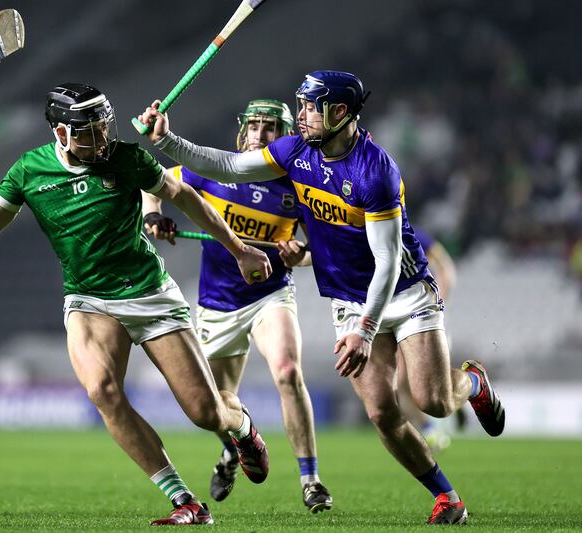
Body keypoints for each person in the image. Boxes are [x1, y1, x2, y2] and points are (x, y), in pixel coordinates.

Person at [138, 70, 506, 525]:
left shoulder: (376, 171)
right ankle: (447, 497)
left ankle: (472, 382)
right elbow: (229, 166)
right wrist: (168, 140)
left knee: (431, 399)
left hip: (404, 291)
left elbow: (387, 263)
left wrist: (366, 332)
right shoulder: (297, 152)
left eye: (313, 107)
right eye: (304, 105)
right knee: (381, 411)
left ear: (341, 112)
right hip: (350, 300)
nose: (304, 116)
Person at [0, 83, 272, 526]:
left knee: (205, 413)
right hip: (88, 298)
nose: (101, 140)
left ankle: (241, 428)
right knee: (102, 392)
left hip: (149, 293)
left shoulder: (128, 158)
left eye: (104, 127)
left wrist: (240, 251)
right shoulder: (29, 171)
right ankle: (185, 502)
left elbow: (187, 199)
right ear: (61, 134)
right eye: (88, 133)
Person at [142, 99, 332, 513]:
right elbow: (150, 184)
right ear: (242, 131)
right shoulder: (215, 169)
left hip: (270, 294)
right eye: (254, 126)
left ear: (284, 138)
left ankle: (311, 480)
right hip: (217, 303)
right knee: (215, 405)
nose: (260, 134)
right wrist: (153, 217)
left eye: (270, 128)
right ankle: (233, 451)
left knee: (288, 371)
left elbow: (318, 251)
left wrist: (298, 254)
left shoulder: (300, 186)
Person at [397, 226, 461, 453]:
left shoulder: (415, 235)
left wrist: (438, 302)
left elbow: (445, 267)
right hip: (397, 314)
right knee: (402, 383)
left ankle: (469, 387)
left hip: (423, 313)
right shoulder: (372, 232)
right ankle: (430, 428)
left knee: (427, 383)